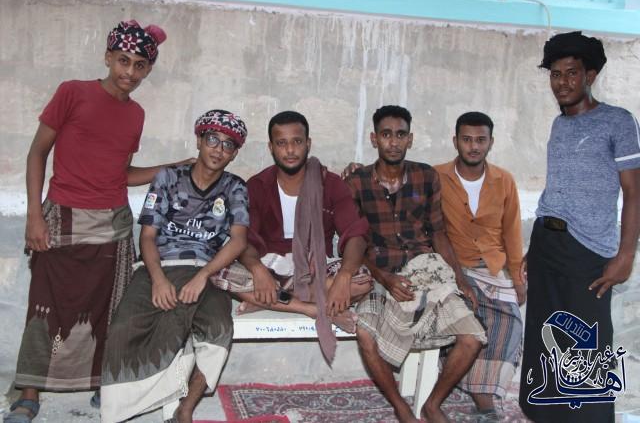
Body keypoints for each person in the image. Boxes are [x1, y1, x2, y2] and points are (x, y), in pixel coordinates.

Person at [5, 20, 191, 423]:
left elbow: (120, 174)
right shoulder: (72, 93)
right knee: (45, 307)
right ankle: (28, 393)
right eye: (123, 60)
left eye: (140, 65)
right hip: (63, 220)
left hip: (114, 226)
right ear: (108, 58)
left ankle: (101, 385)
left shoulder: (136, 114)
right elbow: (37, 153)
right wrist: (35, 215)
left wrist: (171, 167)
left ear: (148, 70)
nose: (130, 72)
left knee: (107, 310)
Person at [519, 31, 640, 423]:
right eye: (555, 74)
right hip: (547, 245)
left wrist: (625, 255)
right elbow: (556, 189)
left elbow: (635, 193)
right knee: (545, 338)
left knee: (586, 345)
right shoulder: (559, 125)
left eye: (571, 73)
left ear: (590, 75)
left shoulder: (618, 122)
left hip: (588, 251)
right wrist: (533, 248)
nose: (562, 82)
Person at [100, 109, 249, 423]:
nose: (218, 149)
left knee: (218, 328)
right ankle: (127, 403)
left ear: (235, 153)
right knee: (124, 327)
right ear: (199, 140)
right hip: (160, 265)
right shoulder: (168, 178)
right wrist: (157, 279)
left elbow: (238, 241)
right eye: (212, 139)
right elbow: (148, 236)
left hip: (206, 270)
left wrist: (204, 275)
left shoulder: (235, 187)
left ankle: (185, 409)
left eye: (228, 145)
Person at [345, 105, 486, 423]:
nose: (393, 142)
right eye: (386, 135)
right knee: (365, 335)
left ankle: (432, 404)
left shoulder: (426, 177)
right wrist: (384, 278)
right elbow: (353, 242)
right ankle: (401, 407)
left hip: (426, 270)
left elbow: (438, 232)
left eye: (400, 135)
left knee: (472, 336)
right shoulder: (357, 183)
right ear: (374, 139)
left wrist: (460, 280)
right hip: (378, 273)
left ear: (410, 139)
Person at [212, 110, 371, 363]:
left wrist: (344, 276)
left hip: (316, 267)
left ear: (308, 144)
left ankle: (269, 299)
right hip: (271, 265)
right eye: (281, 143)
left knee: (361, 280)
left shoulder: (330, 184)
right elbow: (244, 238)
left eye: (297, 141)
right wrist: (258, 270)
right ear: (271, 147)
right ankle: (313, 309)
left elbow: (356, 234)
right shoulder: (257, 186)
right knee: (217, 271)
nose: (290, 150)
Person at [434, 111, 524, 422]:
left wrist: (518, 280)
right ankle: (484, 401)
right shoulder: (436, 176)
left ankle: (480, 388)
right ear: (455, 141)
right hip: (452, 268)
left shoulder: (504, 180)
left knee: (509, 323)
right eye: (467, 139)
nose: (473, 146)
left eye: (480, 140)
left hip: (493, 269)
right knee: (464, 318)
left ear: (491, 142)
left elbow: (512, 232)